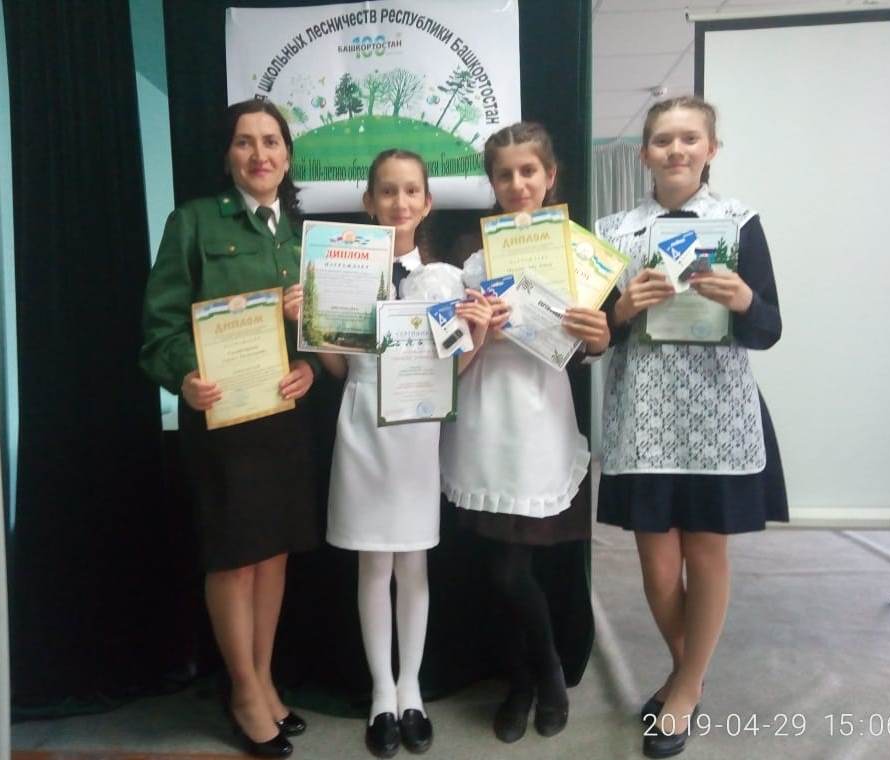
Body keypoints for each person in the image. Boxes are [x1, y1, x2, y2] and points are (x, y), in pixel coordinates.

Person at [595, 95, 787, 759]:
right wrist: (622, 308)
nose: (675, 150)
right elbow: (594, 337)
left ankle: (682, 690)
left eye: (689, 138)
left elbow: (769, 328)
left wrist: (744, 300)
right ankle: (691, 674)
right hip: (644, 414)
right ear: (644, 153)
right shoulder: (614, 229)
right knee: (656, 568)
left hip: (716, 413)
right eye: (662, 140)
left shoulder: (740, 223)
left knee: (705, 553)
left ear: (711, 149)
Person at [288, 149, 491, 757]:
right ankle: (381, 692)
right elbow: (335, 368)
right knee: (372, 564)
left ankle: (412, 691)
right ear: (368, 202)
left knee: (414, 563)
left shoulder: (446, 280)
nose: (399, 202)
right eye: (387, 191)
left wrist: (479, 334)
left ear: (427, 202)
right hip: (361, 426)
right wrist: (309, 321)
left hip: (417, 432)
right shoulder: (342, 272)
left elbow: (453, 371)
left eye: (410, 191)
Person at [140, 99, 320, 759]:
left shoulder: (302, 237)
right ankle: (243, 691)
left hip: (283, 419)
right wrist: (184, 376)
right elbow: (159, 329)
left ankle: (264, 678)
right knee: (234, 560)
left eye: (271, 141)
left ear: (288, 156)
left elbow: (323, 334)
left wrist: (309, 367)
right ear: (228, 156)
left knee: (273, 554)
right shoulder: (192, 222)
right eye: (245, 142)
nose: (259, 154)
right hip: (221, 421)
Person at [440, 122, 611, 744]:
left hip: (541, 420)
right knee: (498, 568)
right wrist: (475, 326)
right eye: (505, 174)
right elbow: (451, 349)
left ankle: (543, 676)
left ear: (550, 175)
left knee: (519, 569)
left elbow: (593, 344)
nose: (517, 183)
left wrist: (600, 335)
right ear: (492, 182)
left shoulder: (578, 252)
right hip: (486, 418)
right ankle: (527, 678)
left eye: (528, 171)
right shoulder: (471, 257)